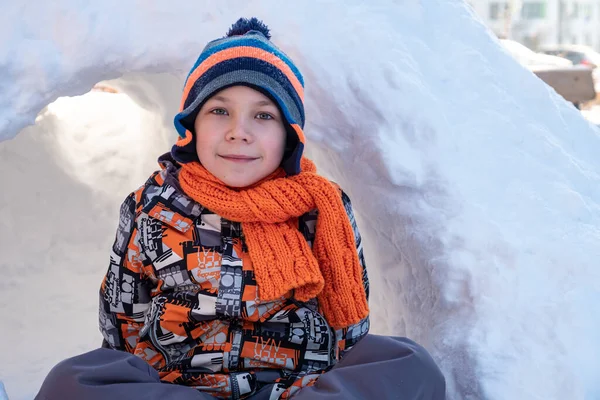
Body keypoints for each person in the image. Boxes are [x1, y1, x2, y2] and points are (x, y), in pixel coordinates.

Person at [35, 17, 446, 400]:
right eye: (219, 111)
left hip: (297, 387)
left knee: (412, 365)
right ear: (190, 126)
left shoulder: (321, 207)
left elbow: (349, 328)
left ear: (289, 137)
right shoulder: (153, 204)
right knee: (72, 381)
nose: (239, 132)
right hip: (182, 387)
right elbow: (121, 318)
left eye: (263, 115)